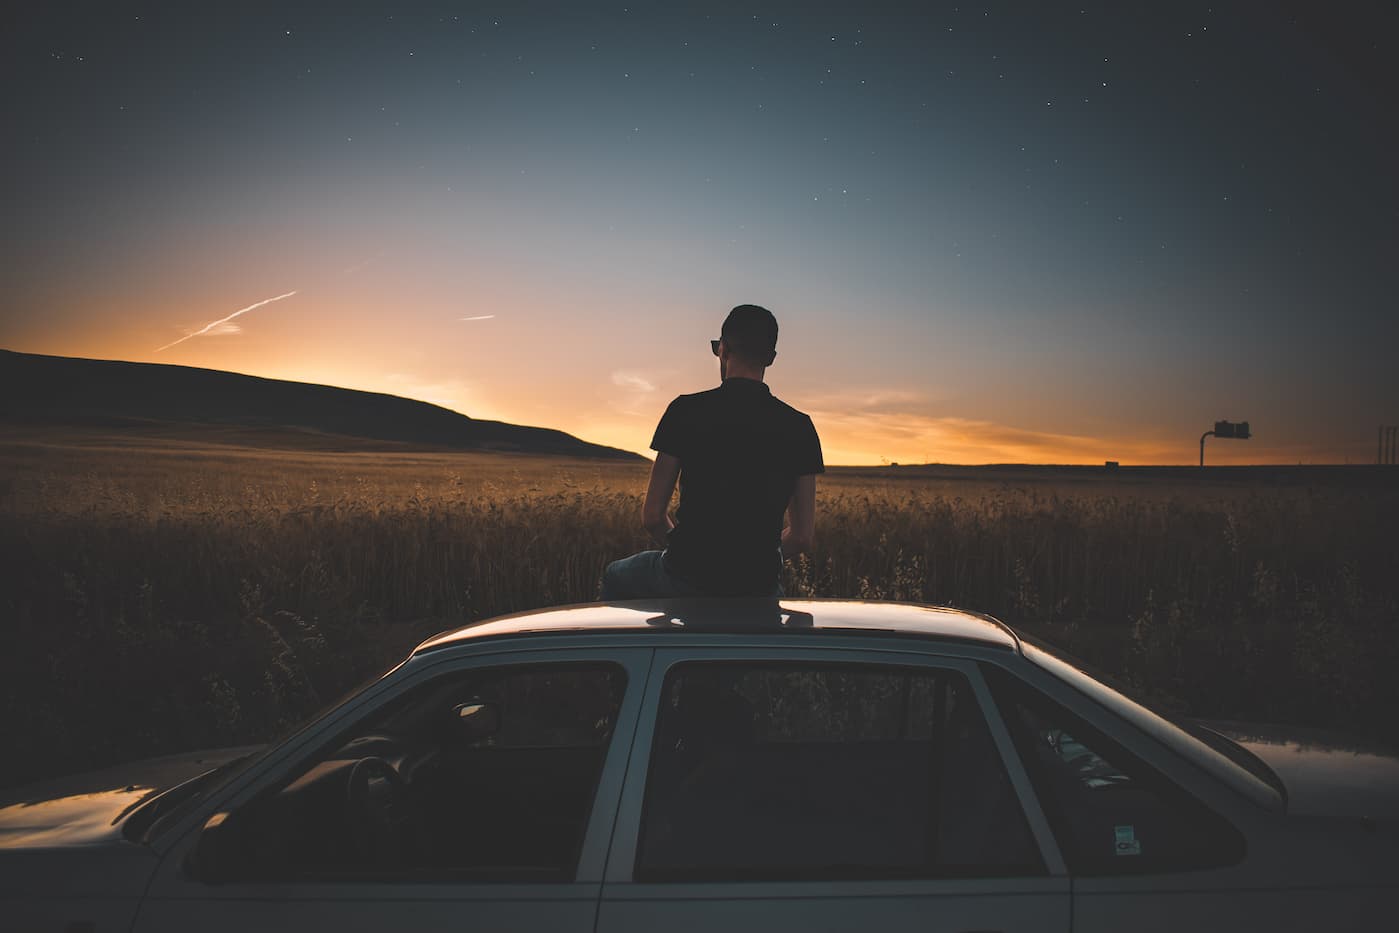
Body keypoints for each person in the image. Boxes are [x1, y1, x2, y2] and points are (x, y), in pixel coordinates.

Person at [601, 304, 824, 599]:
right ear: (770, 359)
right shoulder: (800, 427)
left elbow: (653, 517)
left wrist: (694, 557)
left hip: (685, 574)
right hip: (758, 584)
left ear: (723, 349)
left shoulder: (684, 410)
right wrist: (751, 563)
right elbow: (801, 536)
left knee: (615, 576)